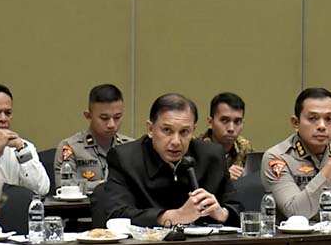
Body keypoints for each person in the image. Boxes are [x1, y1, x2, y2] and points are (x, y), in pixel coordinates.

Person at [97, 93, 242, 227]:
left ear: (193, 130)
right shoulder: (125, 158)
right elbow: (116, 214)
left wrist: (222, 214)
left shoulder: (211, 156)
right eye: (167, 130)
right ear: (150, 129)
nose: (176, 141)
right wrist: (175, 216)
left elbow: (237, 208)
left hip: (204, 243)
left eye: (184, 132)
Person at [262, 88, 331, 220]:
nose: (322, 126)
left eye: (329, 119)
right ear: (296, 123)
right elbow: (296, 213)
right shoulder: (277, 158)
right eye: (312, 118)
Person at [54, 83, 132, 190]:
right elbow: (64, 187)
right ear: (88, 116)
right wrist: (102, 186)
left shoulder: (131, 147)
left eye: (117, 117)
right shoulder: (70, 147)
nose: (111, 124)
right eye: (104, 118)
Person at [198, 92, 253, 180]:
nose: (231, 128)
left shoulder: (244, 148)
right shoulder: (196, 149)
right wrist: (223, 176)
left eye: (237, 122)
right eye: (224, 120)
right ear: (210, 122)